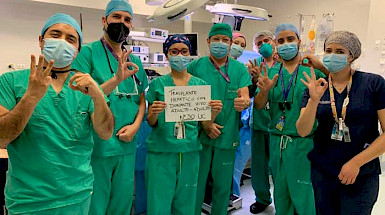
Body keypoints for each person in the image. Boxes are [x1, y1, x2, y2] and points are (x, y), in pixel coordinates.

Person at [0, 13, 114, 214]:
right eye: (55, 34)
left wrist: (97, 95)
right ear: (41, 41)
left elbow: (105, 133)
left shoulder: (86, 86)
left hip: (77, 197)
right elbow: (1, 138)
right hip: (28, 200)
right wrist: (31, 97)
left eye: (71, 39)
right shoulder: (11, 82)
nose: (62, 42)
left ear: (77, 51)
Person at [71, 0, 148, 214]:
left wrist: (136, 126)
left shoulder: (134, 61)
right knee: (96, 205)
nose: (121, 23)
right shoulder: (87, 54)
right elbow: (82, 96)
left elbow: (141, 100)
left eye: (127, 20)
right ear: (104, 20)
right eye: (117, 17)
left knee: (122, 204)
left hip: (127, 144)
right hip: (98, 146)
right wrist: (116, 79)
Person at [296, 31, 385, 215]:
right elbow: (303, 131)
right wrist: (313, 100)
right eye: (328, 50)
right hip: (324, 172)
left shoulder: (373, 84)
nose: (332, 55)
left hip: (361, 172)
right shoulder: (317, 86)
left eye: (339, 51)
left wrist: (356, 163)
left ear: (351, 55)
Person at [253, 23, 326, 215]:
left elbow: (336, 85)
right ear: (276, 45)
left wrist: (322, 66)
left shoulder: (312, 72)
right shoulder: (272, 73)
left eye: (290, 39)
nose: (286, 44)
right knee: (281, 194)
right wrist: (265, 90)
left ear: (299, 42)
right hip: (277, 142)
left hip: (303, 144)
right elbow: (259, 105)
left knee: (304, 197)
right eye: (281, 41)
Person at [145, 34, 222, 215]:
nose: (179, 55)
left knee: (187, 202)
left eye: (184, 51)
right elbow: (150, 122)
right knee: (159, 203)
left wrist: (214, 112)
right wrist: (154, 113)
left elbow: (204, 123)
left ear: (190, 54)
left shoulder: (199, 86)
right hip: (162, 153)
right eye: (174, 51)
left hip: (189, 152)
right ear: (167, 55)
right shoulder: (157, 84)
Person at [187, 23, 251, 215]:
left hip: (226, 136)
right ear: (208, 41)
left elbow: (244, 93)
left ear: (231, 44)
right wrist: (205, 124)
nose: (220, 43)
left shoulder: (239, 69)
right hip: (200, 136)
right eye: (216, 39)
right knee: (195, 184)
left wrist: (245, 101)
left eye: (225, 40)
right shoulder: (195, 67)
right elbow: (187, 101)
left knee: (223, 187)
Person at [248, 30, 279, 214]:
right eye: (259, 43)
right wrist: (252, 79)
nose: (263, 44)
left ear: (274, 42)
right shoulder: (254, 67)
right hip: (259, 123)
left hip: (278, 124)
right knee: (259, 166)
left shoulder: (284, 66)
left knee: (278, 166)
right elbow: (249, 94)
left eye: (266, 40)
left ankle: (283, 200)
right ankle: (262, 199)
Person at [230, 32, 252, 198]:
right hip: (214, 125)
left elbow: (247, 97)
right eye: (235, 42)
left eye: (242, 45)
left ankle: (232, 197)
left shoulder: (242, 71)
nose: (238, 47)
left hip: (240, 125)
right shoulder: (204, 67)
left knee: (233, 169)